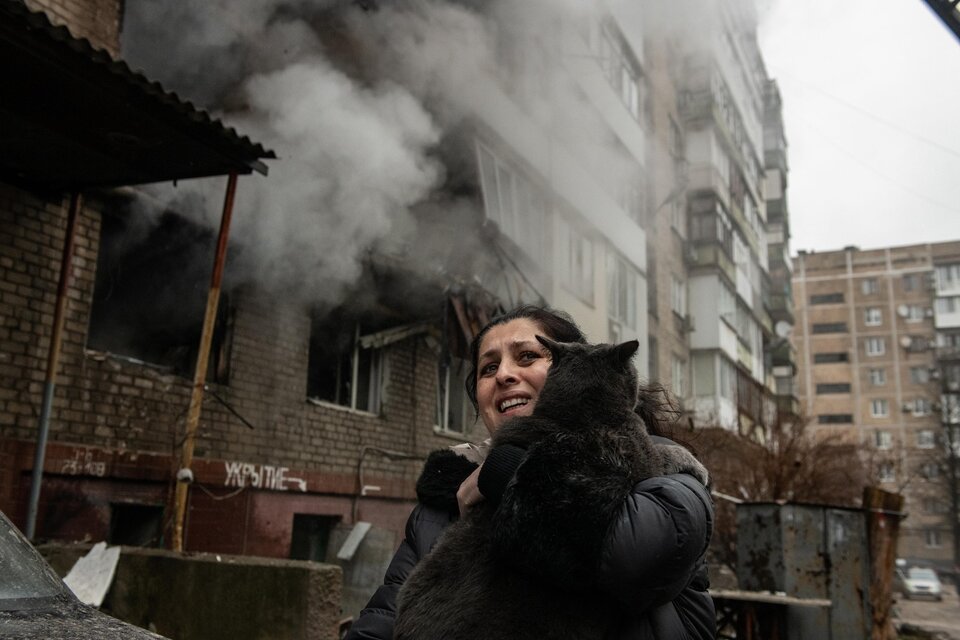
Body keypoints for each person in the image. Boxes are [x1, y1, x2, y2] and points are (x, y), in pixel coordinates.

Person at [344, 305, 715, 640]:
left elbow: (635, 558)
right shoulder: (445, 499)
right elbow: (383, 619)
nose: (504, 374)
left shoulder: (663, 469)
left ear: (580, 365)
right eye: (488, 368)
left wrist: (507, 473)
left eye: (527, 356)